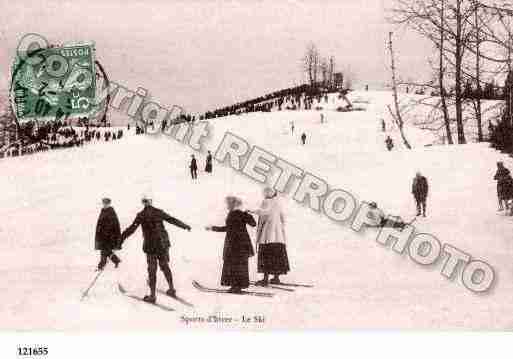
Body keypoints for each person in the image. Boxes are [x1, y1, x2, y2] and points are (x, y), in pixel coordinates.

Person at [120, 195, 191, 303]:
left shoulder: (141, 215)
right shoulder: (158, 212)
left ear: (143, 203)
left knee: (152, 270)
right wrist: (184, 226)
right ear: (151, 201)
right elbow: (172, 220)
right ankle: (171, 289)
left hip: (151, 246)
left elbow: (132, 228)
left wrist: (121, 239)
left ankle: (153, 296)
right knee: (164, 266)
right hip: (162, 244)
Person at [205, 196, 256, 293]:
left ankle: (235, 287)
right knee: (240, 264)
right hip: (242, 242)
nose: (227, 206)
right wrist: (247, 213)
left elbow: (227, 228)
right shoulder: (241, 213)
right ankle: (237, 286)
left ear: (232, 204)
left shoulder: (233, 214)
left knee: (233, 264)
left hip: (234, 243)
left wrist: (213, 228)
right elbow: (253, 223)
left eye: (228, 203)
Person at [251, 187, 290, 286]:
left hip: (267, 234)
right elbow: (283, 218)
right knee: (277, 255)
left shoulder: (266, 201)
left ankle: (265, 279)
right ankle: (276, 278)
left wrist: (252, 211)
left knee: (266, 255)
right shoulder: (279, 202)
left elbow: (264, 213)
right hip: (279, 235)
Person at [95, 198, 122, 271]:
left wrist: (115, 237)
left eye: (106, 203)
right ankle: (116, 261)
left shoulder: (111, 212)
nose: (105, 205)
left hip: (109, 237)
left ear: (109, 204)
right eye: (104, 203)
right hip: (103, 236)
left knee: (104, 251)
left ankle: (101, 266)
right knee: (107, 251)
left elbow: (115, 225)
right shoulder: (103, 211)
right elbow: (100, 224)